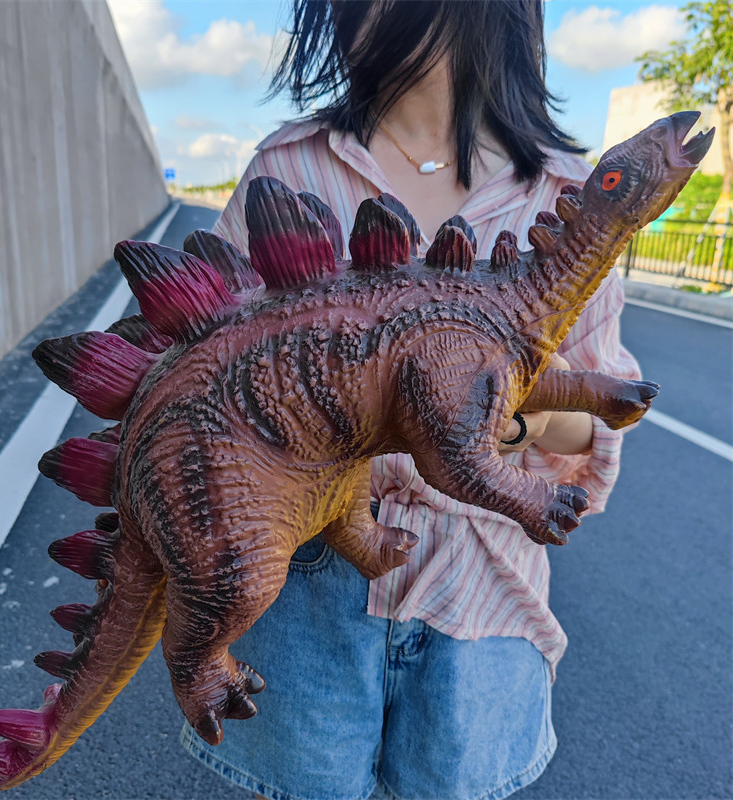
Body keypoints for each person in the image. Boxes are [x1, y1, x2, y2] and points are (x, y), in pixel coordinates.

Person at [180, 2, 641, 799]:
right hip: (302, 577)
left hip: (485, 592)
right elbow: (208, 386)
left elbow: (582, 434)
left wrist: (485, 420)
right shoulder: (287, 168)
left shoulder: (570, 194)